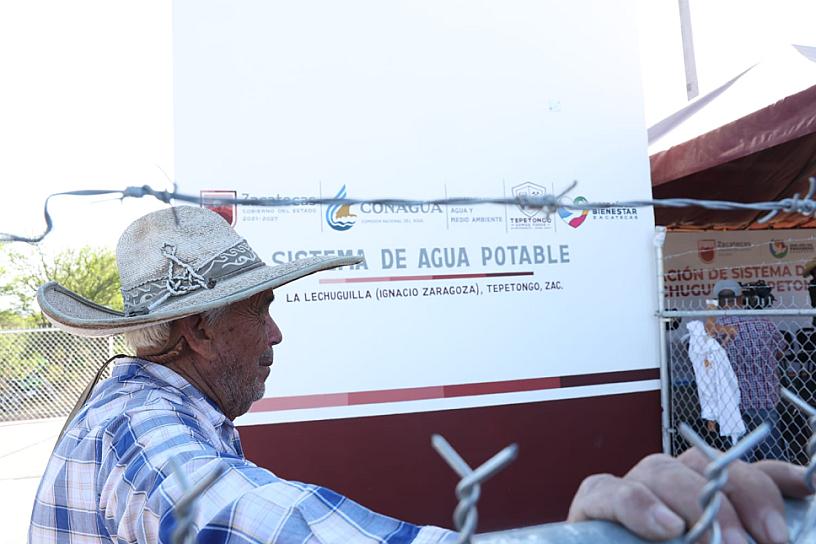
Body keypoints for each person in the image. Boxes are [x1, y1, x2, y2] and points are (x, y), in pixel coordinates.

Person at [30, 207, 810, 544]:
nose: (275, 332)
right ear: (199, 330)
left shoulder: (133, 404)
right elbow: (244, 518)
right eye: (255, 310)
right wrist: (570, 537)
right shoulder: (142, 432)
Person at [708, 279, 786, 462]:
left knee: (740, 457)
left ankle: (745, 485)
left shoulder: (714, 330)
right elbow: (781, 351)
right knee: (773, 453)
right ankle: (780, 485)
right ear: (741, 298)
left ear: (716, 302)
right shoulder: (763, 322)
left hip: (731, 401)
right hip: (764, 397)